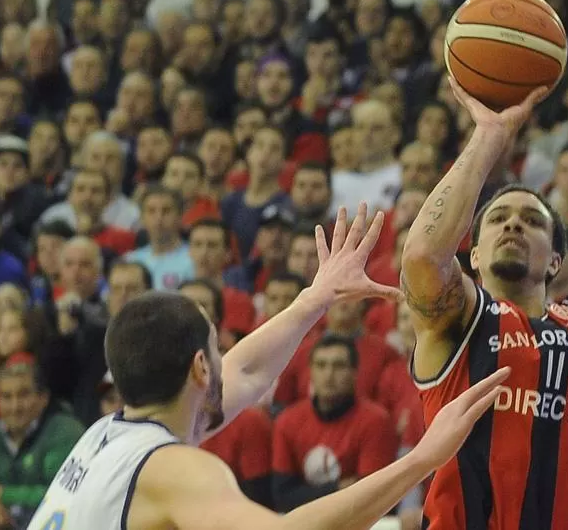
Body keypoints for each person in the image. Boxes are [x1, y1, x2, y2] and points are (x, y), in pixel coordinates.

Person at [25, 204, 513, 530]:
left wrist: (315, 298)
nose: (225, 357)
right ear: (199, 368)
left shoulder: (107, 434)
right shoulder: (173, 468)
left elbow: (248, 373)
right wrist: (422, 460)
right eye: (217, 347)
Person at [401, 7, 568, 529]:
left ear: (555, 259)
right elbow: (421, 256)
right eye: (498, 219)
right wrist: (489, 134)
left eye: (531, 220)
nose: (512, 225)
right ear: (473, 254)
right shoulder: (459, 316)